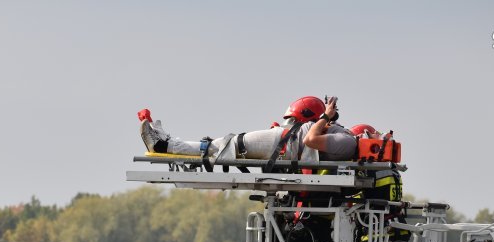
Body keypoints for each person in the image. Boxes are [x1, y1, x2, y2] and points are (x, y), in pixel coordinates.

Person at [138, 96, 358, 164]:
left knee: (227, 145)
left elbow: (310, 139)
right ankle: (167, 141)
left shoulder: (347, 141)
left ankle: (163, 144)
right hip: (285, 142)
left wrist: (326, 116)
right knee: (224, 143)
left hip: (286, 144)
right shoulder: (344, 137)